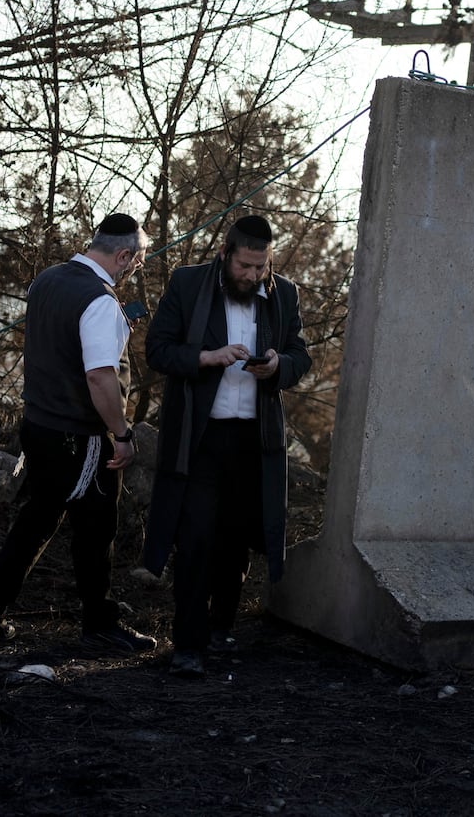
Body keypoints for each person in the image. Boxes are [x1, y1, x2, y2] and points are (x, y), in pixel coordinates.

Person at [0, 213, 157, 653]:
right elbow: (101, 379)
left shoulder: (47, 279)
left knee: (37, 520)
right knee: (96, 529)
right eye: (138, 260)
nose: (137, 268)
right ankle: (99, 624)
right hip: (80, 436)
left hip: (38, 426)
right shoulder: (100, 301)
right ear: (122, 254)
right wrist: (121, 434)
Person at [142, 214, 311, 678]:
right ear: (225, 254)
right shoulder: (187, 283)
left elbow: (301, 356)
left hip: (254, 441)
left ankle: (220, 626)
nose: (253, 275)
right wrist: (206, 358)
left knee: (236, 541)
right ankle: (188, 644)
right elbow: (156, 350)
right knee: (195, 537)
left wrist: (278, 365)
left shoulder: (285, 294)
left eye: (261, 267)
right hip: (200, 437)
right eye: (245, 266)